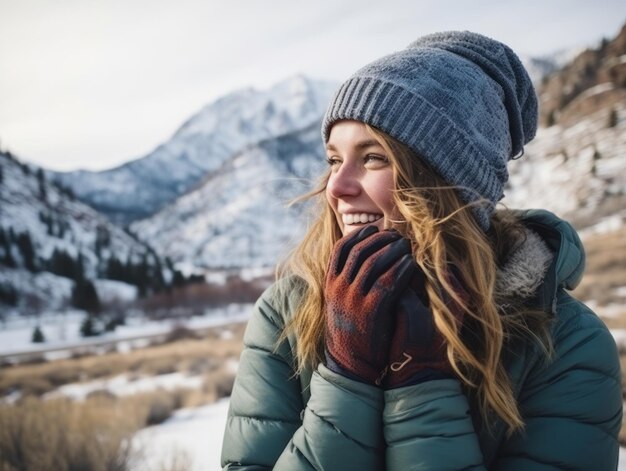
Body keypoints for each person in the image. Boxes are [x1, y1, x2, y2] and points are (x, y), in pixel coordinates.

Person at [220, 31, 622, 470]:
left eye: (373, 158)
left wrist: (422, 385)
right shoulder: (287, 314)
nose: (336, 186)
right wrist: (346, 374)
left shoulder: (563, 343)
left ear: (447, 184)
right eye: (334, 159)